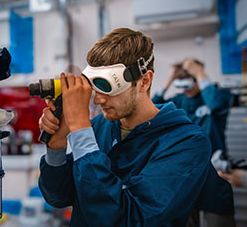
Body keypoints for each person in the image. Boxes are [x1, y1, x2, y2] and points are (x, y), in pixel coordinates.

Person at [38, 28, 234, 226]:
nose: (97, 99)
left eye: (107, 86)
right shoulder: (99, 127)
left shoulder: (187, 143)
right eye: (94, 86)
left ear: (144, 81)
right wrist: (57, 146)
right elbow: (59, 198)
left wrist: (80, 129)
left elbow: (130, 220)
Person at [152, 60, 235, 226]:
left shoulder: (215, 95)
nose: (186, 90)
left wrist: (200, 73)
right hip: (186, 173)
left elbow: (217, 104)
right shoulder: (179, 101)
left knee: (219, 220)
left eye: (189, 85)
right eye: (181, 86)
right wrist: (168, 80)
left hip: (214, 171)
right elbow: (153, 109)